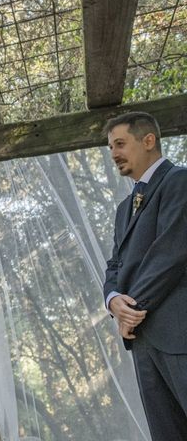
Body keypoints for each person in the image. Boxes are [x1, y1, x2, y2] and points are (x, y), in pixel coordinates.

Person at [104, 112, 187, 440]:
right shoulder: (124, 208)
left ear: (148, 141)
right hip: (142, 341)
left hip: (179, 334)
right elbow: (115, 265)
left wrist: (131, 311)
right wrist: (112, 301)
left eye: (120, 144)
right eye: (111, 147)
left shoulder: (180, 181)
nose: (113, 154)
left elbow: (171, 254)